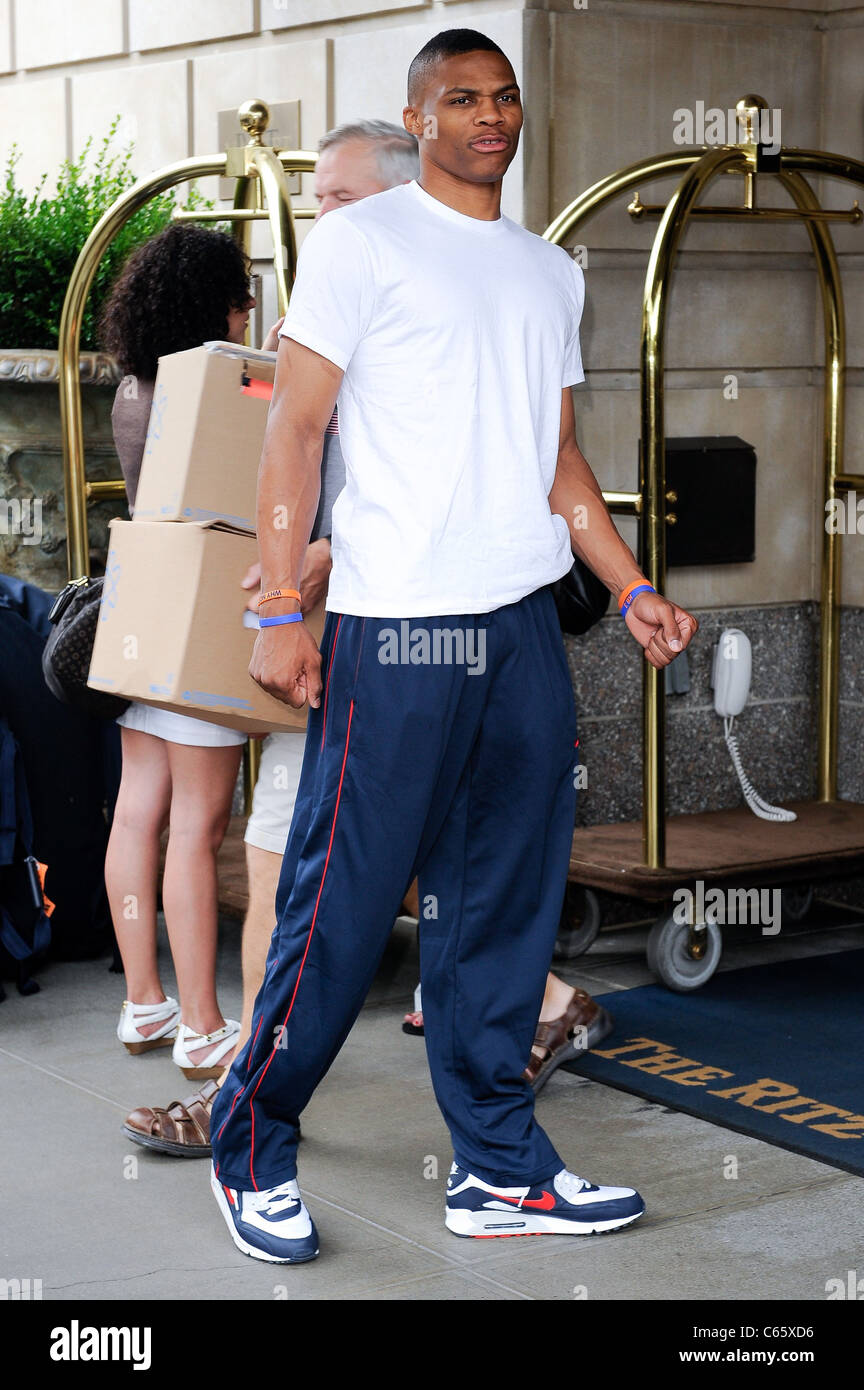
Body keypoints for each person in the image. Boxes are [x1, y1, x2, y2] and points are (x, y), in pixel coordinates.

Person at [206, 27, 697, 1263]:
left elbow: (559, 459)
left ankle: (498, 1169)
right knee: (341, 903)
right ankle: (251, 1140)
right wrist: (275, 607)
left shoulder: (549, 272)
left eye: (505, 96)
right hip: (399, 632)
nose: (491, 115)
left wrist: (629, 585)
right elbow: (295, 434)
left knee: (504, 911)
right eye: (462, 98)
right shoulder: (363, 244)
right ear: (420, 119)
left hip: (524, 628)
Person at [122, 117, 610, 1158]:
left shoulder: (446, 293)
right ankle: (530, 1015)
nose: (322, 222)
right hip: (348, 648)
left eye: (338, 199)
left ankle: (243, 1101)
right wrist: (285, 595)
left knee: (314, 876)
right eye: (316, 206)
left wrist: (302, 583)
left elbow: (459, 488)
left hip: (390, 644)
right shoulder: (350, 308)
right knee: (350, 873)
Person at [100, 226, 277, 1080]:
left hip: (140, 602)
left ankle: (145, 1001)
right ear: (217, 302)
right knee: (199, 827)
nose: (249, 312)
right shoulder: (215, 377)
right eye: (242, 297)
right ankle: (204, 1022)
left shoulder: (133, 384)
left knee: (140, 809)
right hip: (204, 614)